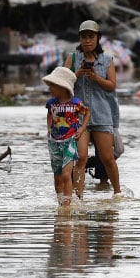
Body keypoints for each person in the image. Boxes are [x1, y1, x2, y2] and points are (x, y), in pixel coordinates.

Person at [64, 20, 122, 199]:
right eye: (84, 37)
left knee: (107, 158)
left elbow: (112, 86)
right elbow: (62, 83)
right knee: (80, 157)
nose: (87, 41)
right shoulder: (72, 58)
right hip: (78, 116)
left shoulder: (107, 60)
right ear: (79, 39)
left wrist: (96, 77)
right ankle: (79, 197)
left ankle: (117, 193)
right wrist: (76, 74)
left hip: (102, 114)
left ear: (98, 38)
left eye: (91, 37)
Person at [44, 66, 90, 207]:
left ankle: (67, 205)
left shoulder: (75, 103)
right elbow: (50, 115)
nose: (50, 89)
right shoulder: (52, 103)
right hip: (54, 142)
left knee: (66, 174)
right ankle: (60, 202)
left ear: (63, 87)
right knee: (57, 176)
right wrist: (48, 128)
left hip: (70, 141)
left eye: (53, 86)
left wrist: (82, 129)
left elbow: (87, 113)